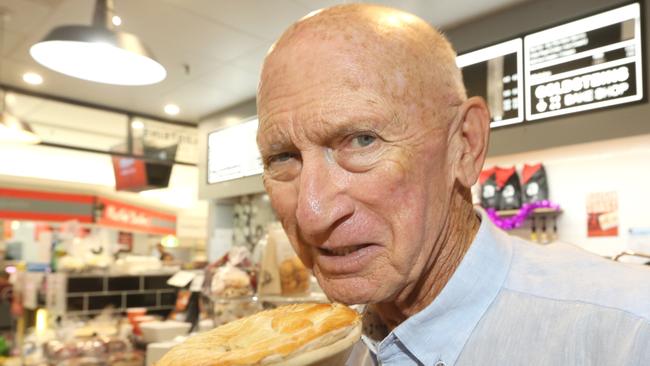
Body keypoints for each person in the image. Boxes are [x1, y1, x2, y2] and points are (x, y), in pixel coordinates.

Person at [256, 4, 650, 365]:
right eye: (282, 158)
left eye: (361, 141)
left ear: (465, 145)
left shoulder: (627, 332)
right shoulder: (311, 350)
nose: (311, 214)